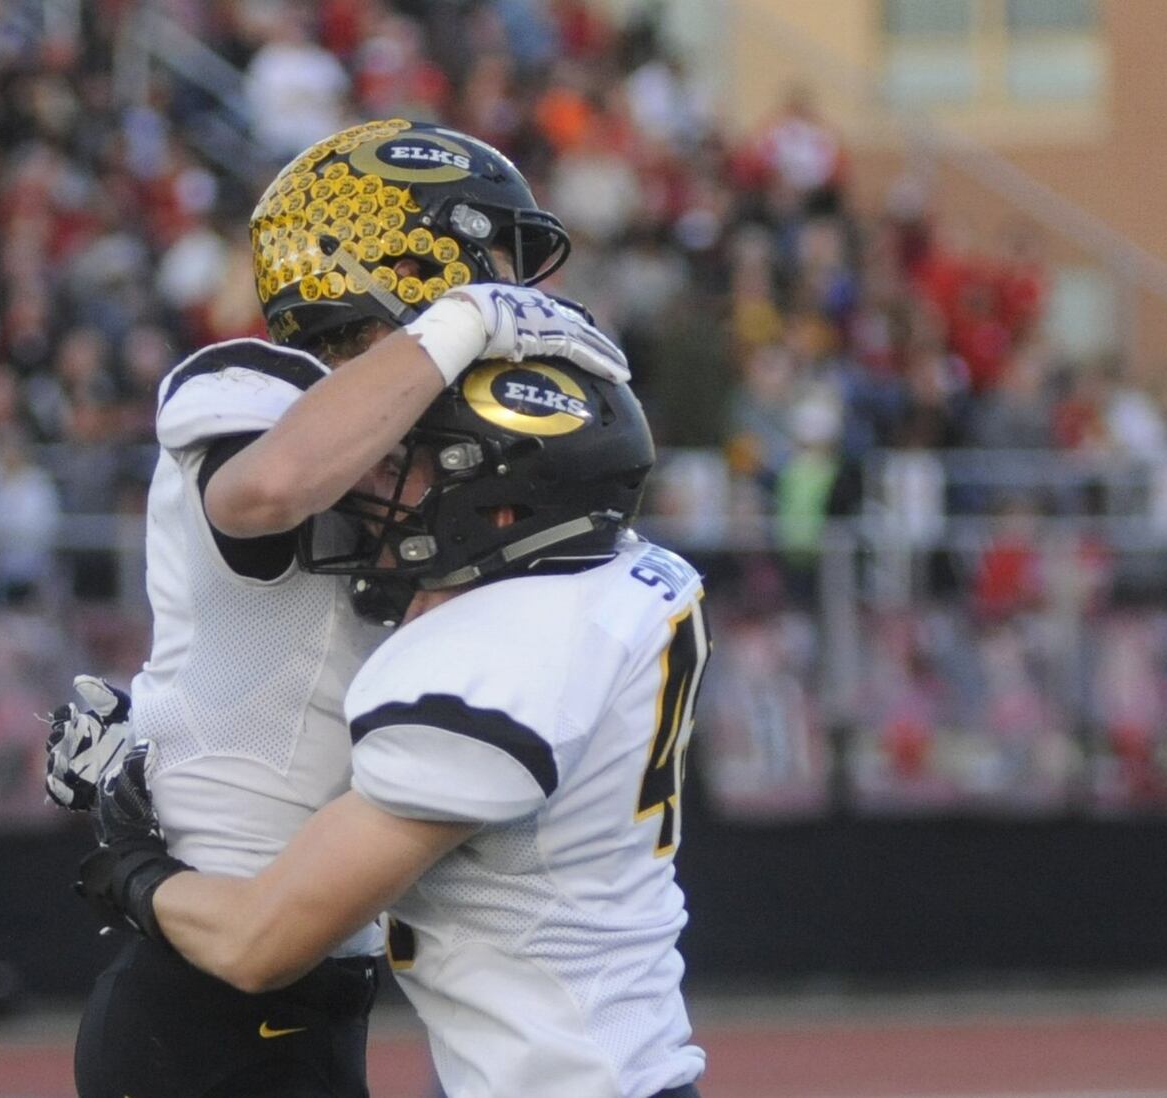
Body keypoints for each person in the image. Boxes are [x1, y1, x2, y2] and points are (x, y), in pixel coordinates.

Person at [44, 118, 628, 1098]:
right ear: (393, 251)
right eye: (483, 256)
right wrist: (459, 326)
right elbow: (267, 493)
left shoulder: (434, 430)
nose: (508, 286)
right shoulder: (250, 384)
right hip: (206, 987)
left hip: (311, 974)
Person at [80, 356, 711, 1098]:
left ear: (502, 507)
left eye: (419, 467)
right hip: (604, 1061)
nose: (375, 484)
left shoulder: (480, 672)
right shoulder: (625, 575)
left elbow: (258, 941)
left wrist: (129, 865)